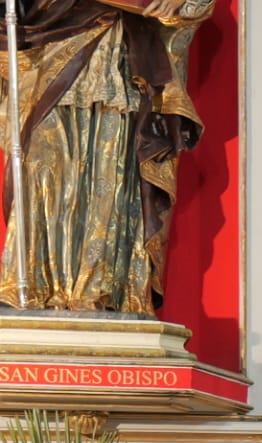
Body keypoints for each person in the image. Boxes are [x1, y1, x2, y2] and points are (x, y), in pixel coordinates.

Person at [0, 0, 216, 314]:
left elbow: (193, 7)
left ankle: (101, 290)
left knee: (109, 174)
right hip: (45, 49)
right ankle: (32, 286)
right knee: (42, 169)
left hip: (119, 55)